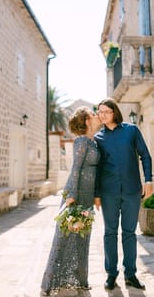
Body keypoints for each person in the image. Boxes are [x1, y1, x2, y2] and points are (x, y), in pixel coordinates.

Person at [41, 106, 101, 296]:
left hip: (87, 196)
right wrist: (71, 196)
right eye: (92, 114)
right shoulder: (82, 141)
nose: (96, 115)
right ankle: (51, 284)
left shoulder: (94, 142)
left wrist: (94, 196)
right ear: (86, 121)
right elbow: (75, 169)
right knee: (64, 237)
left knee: (82, 238)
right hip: (75, 195)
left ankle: (79, 282)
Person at [94, 98, 153, 291]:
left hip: (132, 191)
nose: (102, 114)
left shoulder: (131, 130)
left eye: (106, 111)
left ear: (114, 112)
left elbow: (145, 155)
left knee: (129, 233)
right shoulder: (98, 138)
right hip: (108, 193)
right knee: (110, 233)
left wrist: (149, 180)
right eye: (99, 111)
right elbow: (96, 168)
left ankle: (131, 274)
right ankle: (111, 274)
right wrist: (96, 194)